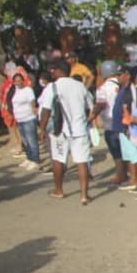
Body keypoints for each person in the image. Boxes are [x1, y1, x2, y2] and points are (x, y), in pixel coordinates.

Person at [37, 59, 96, 204]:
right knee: (82, 161)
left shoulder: (53, 87)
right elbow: (91, 106)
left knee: (58, 159)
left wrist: (42, 129)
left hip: (60, 131)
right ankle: (84, 195)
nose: (51, 72)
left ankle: (58, 190)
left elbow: (46, 110)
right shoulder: (80, 86)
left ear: (59, 71)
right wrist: (88, 120)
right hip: (79, 129)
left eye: (53, 70)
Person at [93, 61, 128, 186]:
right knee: (126, 149)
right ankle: (128, 172)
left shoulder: (103, 88)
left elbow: (100, 105)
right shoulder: (122, 85)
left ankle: (120, 175)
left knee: (116, 152)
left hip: (110, 123)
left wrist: (92, 117)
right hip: (123, 121)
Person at [10, 69, 40, 171]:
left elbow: (32, 102)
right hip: (19, 119)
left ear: (23, 80)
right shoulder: (15, 91)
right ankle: (29, 158)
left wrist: (34, 110)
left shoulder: (28, 90)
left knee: (31, 140)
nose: (18, 82)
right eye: (16, 81)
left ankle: (35, 160)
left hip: (28, 118)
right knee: (25, 140)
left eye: (20, 80)